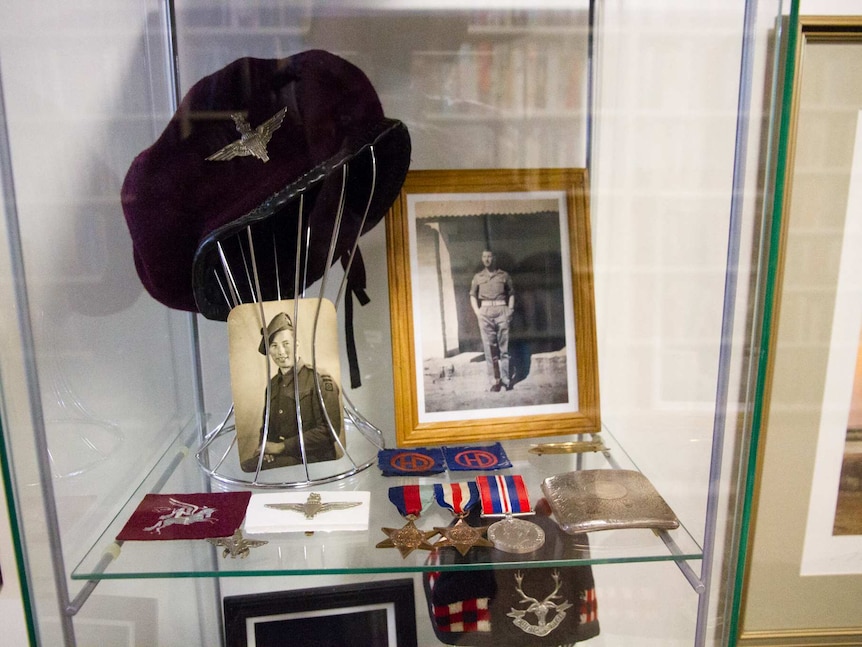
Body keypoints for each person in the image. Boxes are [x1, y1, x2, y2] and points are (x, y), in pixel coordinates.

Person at [243, 312, 342, 471]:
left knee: (249, 469)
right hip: (285, 457)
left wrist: (281, 447)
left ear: (296, 343)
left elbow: (329, 432)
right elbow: (268, 427)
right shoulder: (273, 385)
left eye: (285, 343)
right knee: (248, 468)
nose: (281, 352)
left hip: (315, 460)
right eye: (274, 346)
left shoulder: (320, 379)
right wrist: (266, 447)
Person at [470, 249, 515, 392]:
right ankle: (495, 381)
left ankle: (507, 380)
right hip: (485, 312)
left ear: (494, 258)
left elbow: (512, 293)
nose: (487, 259)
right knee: (490, 349)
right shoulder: (478, 277)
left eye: (489, 256)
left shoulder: (504, 275)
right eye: (484, 256)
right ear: (482, 259)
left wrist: (510, 310)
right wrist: (478, 312)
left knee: (504, 348)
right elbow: (472, 295)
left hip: (502, 310)